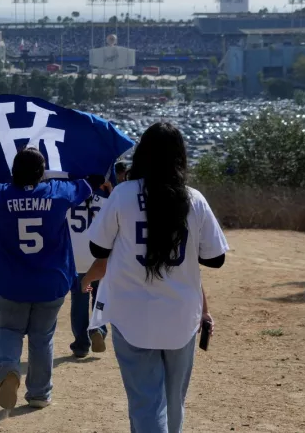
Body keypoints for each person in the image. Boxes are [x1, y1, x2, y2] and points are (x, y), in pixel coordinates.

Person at [82, 123, 228, 433]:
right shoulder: (193, 199)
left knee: (146, 403)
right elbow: (216, 258)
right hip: (181, 317)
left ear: (142, 156)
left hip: (132, 314)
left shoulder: (122, 195)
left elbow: (97, 246)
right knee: (174, 401)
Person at [0, 147, 108, 410]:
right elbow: (90, 184)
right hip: (50, 282)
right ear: (42, 173)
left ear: (13, 172)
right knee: (42, 336)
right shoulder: (57, 192)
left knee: (9, 329)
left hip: (9, 282)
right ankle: (40, 393)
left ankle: (9, 370)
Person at [66, 190, 107, 358]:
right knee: (99, 297)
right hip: (99, 257)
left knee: (80, 298)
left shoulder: (69, 195)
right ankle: (98, 329)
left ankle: (81, 344)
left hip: (76, 257)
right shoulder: (104, 198)